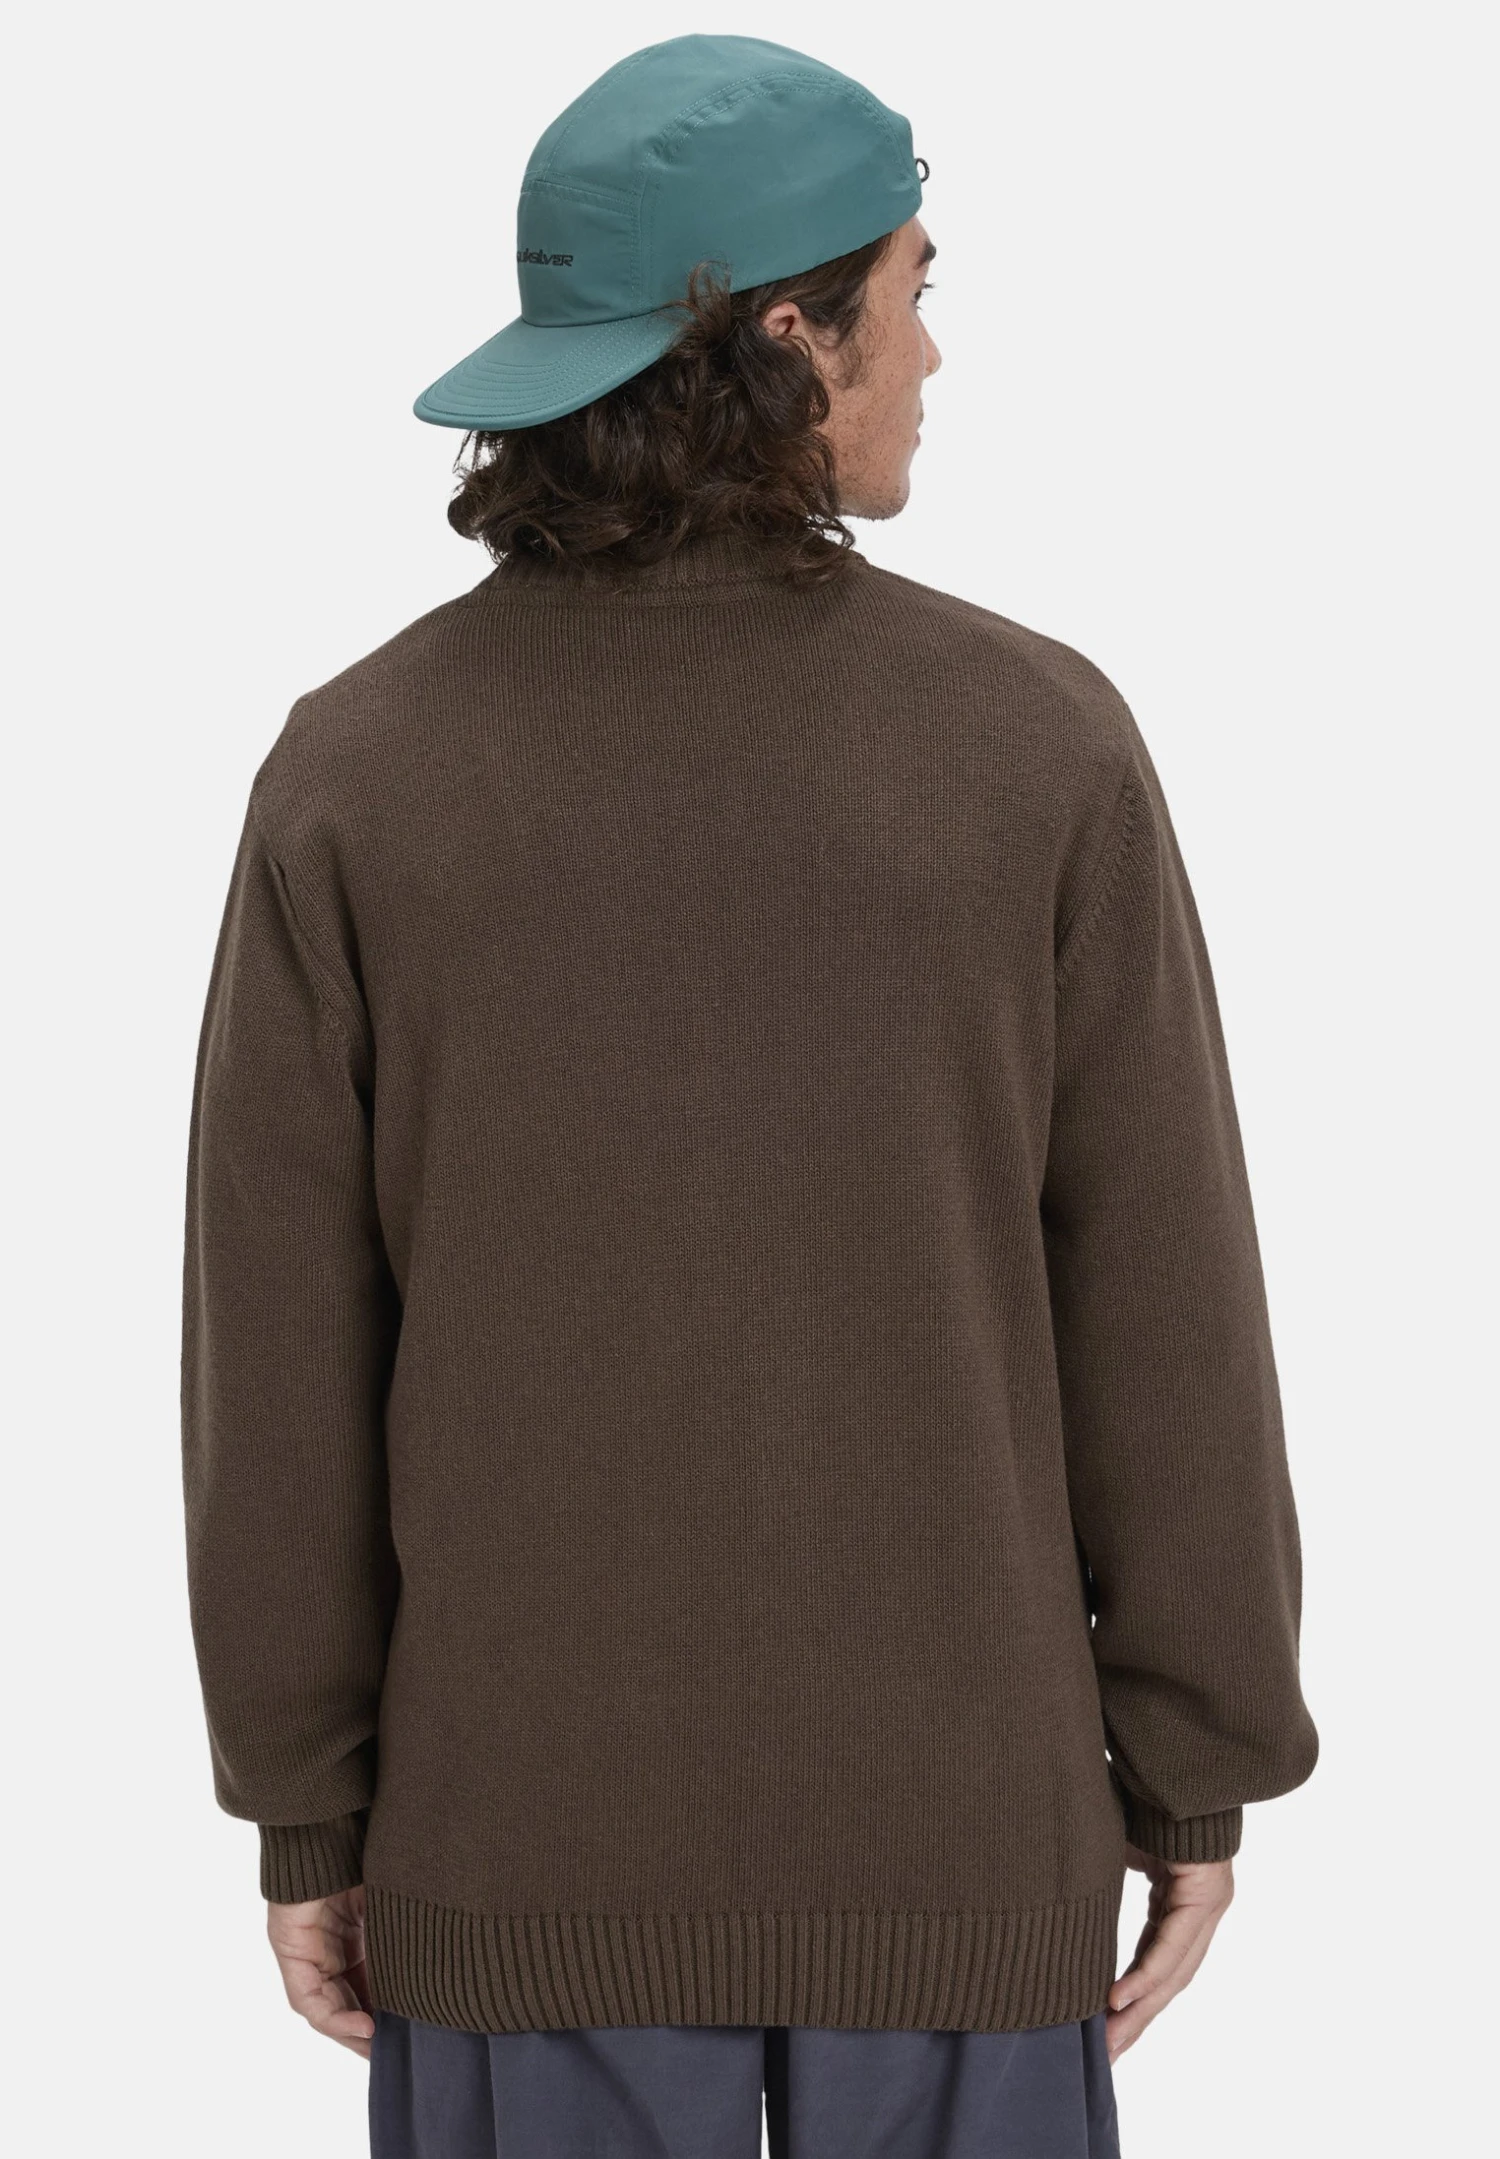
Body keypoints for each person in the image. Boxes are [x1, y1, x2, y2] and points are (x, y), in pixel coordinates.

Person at [180, 33, 1319, 2159]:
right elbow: (1167, 1306)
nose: (936, 353)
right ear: (789, 337)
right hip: (959, 1855)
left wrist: (305, 1801)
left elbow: (280, 1357)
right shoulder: (1036, 745)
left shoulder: (358, 772)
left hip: (522, 1852)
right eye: (912, 291)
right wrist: (1196, 1765)